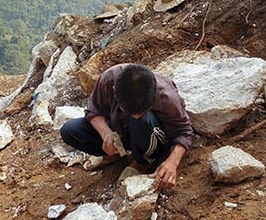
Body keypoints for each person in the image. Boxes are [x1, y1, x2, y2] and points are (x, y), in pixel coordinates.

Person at [60, 63, 194, 190]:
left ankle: (142, 161)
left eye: (140, 111)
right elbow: (94, 111)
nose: (135, 115)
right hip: (119, 130)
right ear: (115, 92)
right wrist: (105, 133)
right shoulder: (109, 79)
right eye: (129, 111)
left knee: (142, 120)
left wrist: (172, 162)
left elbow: (184, 131)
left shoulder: (168, 97)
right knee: (70, 131)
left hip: (150, 135)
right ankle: (115, 153)